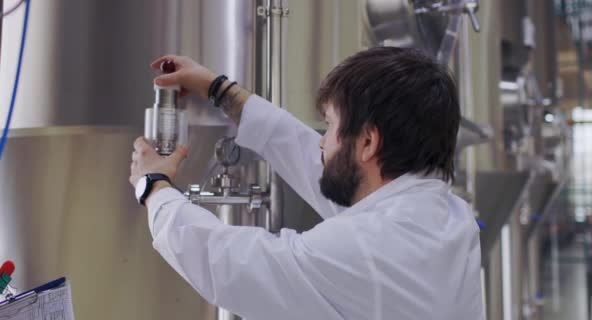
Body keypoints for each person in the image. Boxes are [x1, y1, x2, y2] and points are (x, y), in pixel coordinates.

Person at [129, 47, 483, 319]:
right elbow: (323, 167)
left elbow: (227, 265)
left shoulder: (366, 249)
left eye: (329, 127)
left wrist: (153, 186)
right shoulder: (448, 216)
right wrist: (220, 91)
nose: (321, 142)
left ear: (368, 143)